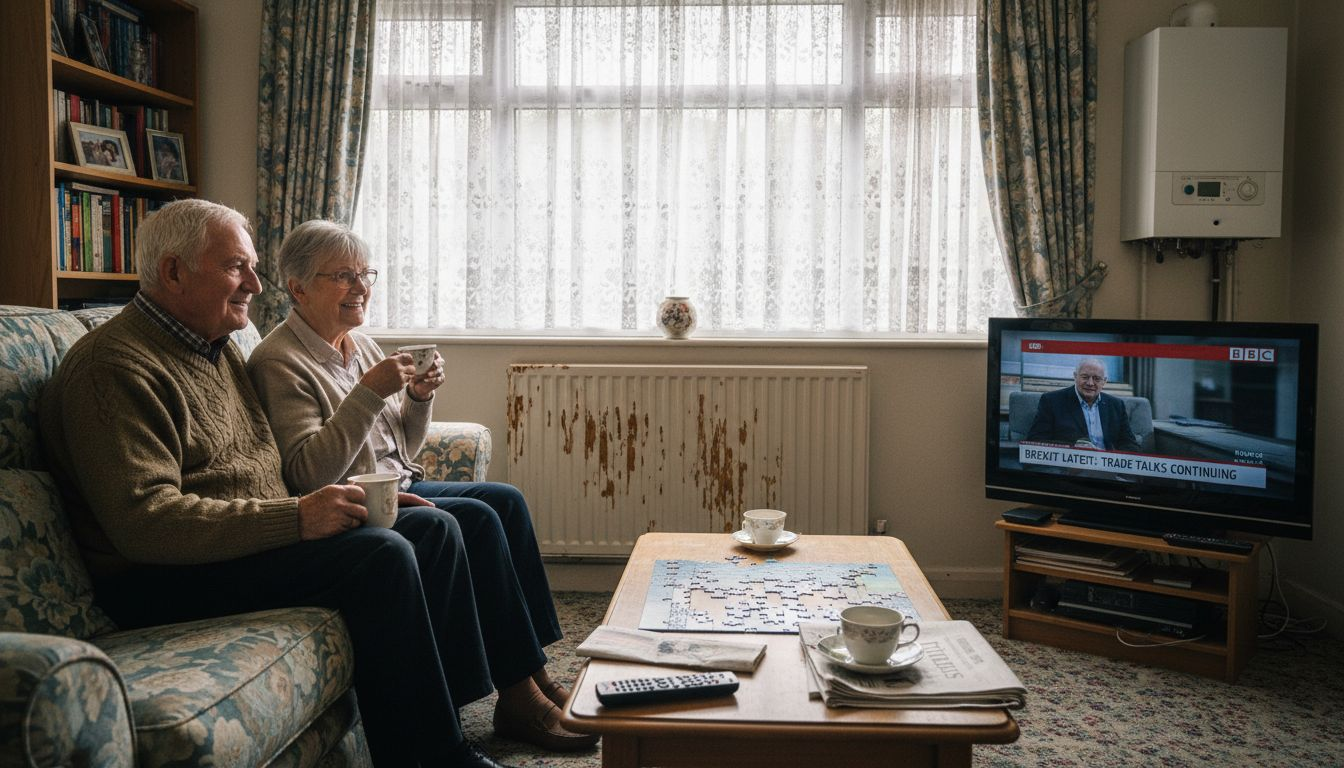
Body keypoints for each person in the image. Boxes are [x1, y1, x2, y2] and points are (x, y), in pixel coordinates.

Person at [38, 199, 528, 768]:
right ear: (173, 272)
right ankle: (434, 757)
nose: (255, 282)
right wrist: (297, 516)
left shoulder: (212, 346)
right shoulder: (115, 368)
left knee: (428, 528)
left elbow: (268, 470)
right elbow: (146, 523)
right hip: (164, 576)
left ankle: (468, 711)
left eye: (250, 266)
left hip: (238, 546)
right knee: (383, 556)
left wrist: (344, 502)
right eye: (235, 268)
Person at [245, 219, 595, 752]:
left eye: (365, 274)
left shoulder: (359, 344)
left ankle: (534, 675)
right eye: (343, 276)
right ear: (298, 288)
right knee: (473, 519)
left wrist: (418, 399)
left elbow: (402, 450)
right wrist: (367, 394)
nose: (361, 287)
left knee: (505, 500)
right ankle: (519, 694)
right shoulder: (279, 361)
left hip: (394, 483)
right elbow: (308, 472)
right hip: (349, 501)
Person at [1025, 357, 1141, 451]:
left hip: (1107, 468)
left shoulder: (1116, 405)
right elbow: (1036, 440)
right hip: (1068, 467)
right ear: (1075, 376)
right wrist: (1073, 448)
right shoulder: (1051, 401)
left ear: (1104, 381)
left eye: (1096, 379)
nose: (1090, 383)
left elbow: (1129, 444)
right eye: (1085, 377)